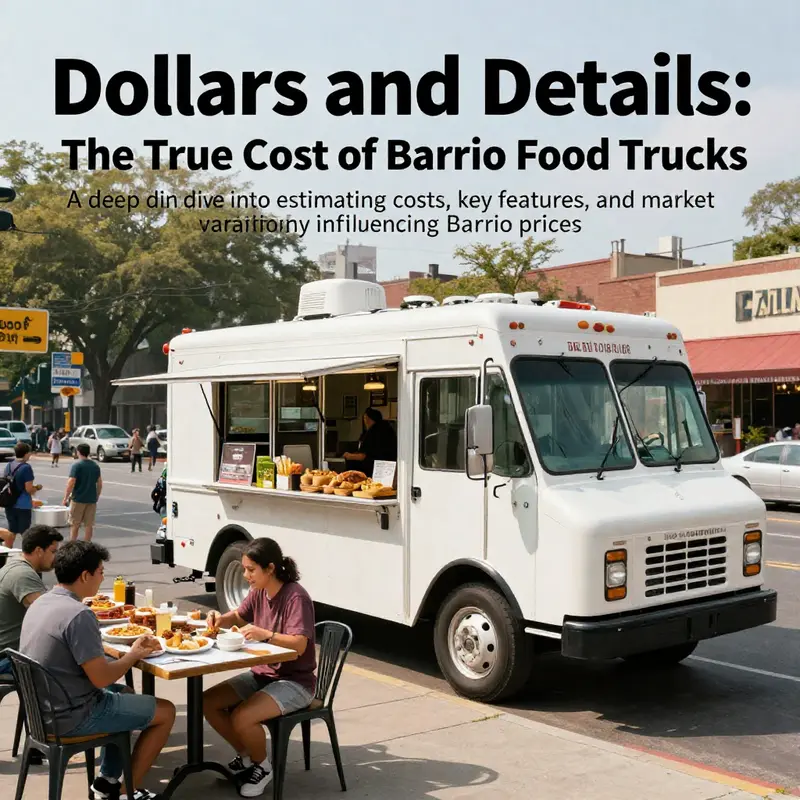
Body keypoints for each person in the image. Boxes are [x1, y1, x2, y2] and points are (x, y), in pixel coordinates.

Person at [19, 540, 175, 800]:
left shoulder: (41, 602)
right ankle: (126, 792)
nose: (102, 578)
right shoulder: (79, 614)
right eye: (101, 572)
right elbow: (101, 678)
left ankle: (107, 780)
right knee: (166, 711)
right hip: (71, 715)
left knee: (125, 692)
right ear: (85, 575)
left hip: (42, 711)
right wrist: (134, 655)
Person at [203, 538, 316, 797]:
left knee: (241, 717)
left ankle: (263, 767)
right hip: (263, 674)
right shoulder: (259, 591)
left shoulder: (295, 597)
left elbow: (299, 645)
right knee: (207, 702)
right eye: (244, 569)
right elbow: (238, 615)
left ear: (270, 568)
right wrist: (219, 618)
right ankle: (247, 756)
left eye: (251, 569)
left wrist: (265, 635)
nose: (246, 576)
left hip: (296, 682)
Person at [0, 525, 63, 676]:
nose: (56, 557)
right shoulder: (23, 574)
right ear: (39, 551)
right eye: (53, 551)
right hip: (8, 658)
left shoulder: (15, 564)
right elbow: (50, 617)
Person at [3, 443, 41, 547]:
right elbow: (29, 489)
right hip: (23, 505)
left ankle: (6, 552)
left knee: (11, 531)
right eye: (29, 453)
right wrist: (37, 488)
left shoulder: (9, 465)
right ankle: (26, 553)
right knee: (25, 533)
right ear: (26, 454)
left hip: (9, 503)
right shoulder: (26, 468)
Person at [63, 443, 103, 542]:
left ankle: (73, 543)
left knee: (75, 523)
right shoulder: (95, 466)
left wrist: (66, 497)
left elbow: (71, 482)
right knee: (89, 524)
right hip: (91, 499)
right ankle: (87, 544)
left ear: (78, 452)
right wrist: (97, 495)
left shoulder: (77, 465)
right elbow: (99, 483)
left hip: (78, 498)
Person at [342, 407, 397, 477]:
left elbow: (363, 456)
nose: (365, 421)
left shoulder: (373, 431)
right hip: (389, 469)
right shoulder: (388, 429)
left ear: (370, 419)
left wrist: (349, 456)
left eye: (365, 418)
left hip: (372, 470)